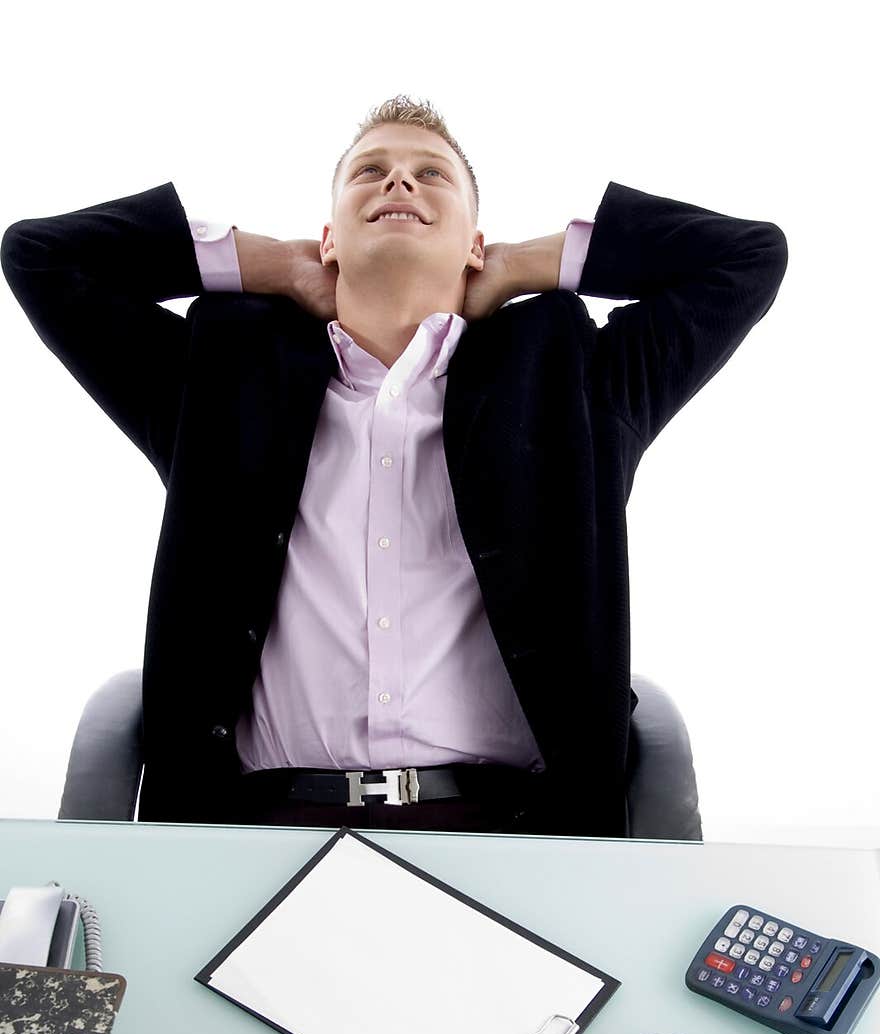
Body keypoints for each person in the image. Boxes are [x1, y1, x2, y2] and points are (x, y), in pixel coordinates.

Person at [1, 96, 787, 837]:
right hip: (258, 827)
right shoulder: (222, 377)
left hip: (509, 833)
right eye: (369, 172)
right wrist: (274, 264)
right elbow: (39, 256)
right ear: (330, 236)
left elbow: (748, 257)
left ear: (474, 241)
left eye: (431, 173)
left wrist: (521, 264)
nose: (400, 179)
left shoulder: (572, 379)